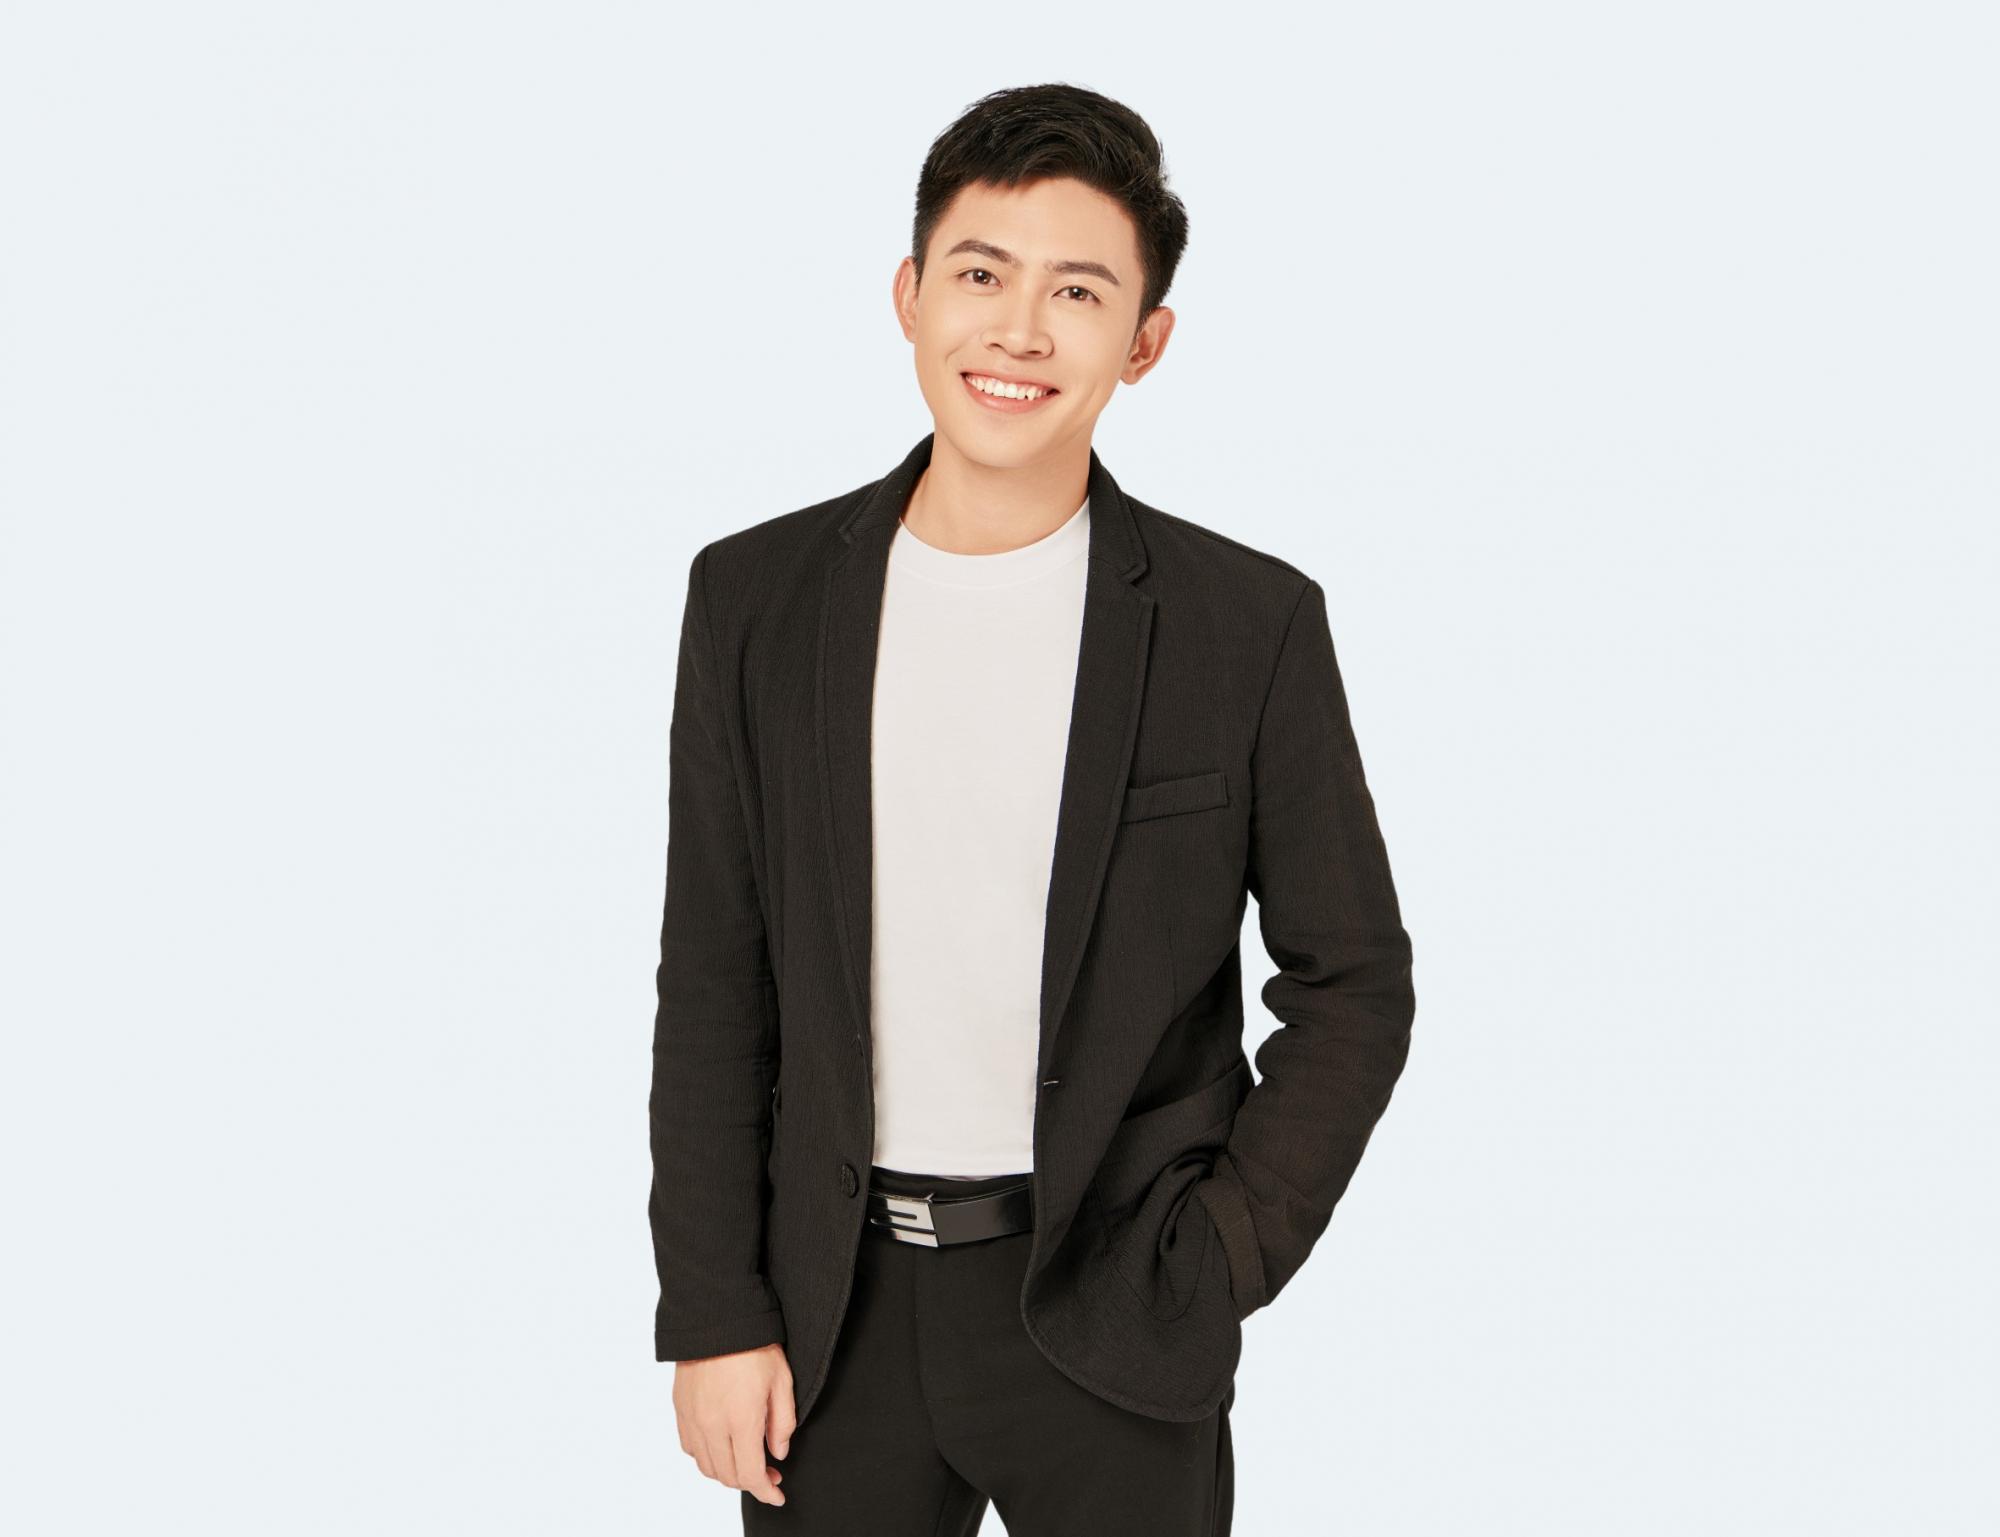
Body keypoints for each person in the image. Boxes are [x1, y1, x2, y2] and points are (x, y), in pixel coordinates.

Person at [648, 81, 1416, 1535]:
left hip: (1116, 1301)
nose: (1017, 331)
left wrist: (1221, 1249)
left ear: (1144, 342)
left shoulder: (1243, 623)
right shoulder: (754, 599)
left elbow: (1353, 980)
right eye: (981, 274)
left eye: (1077, 292)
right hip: (828, 1317)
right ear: (909, 295)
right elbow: (715, 978)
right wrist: (712, 1309)